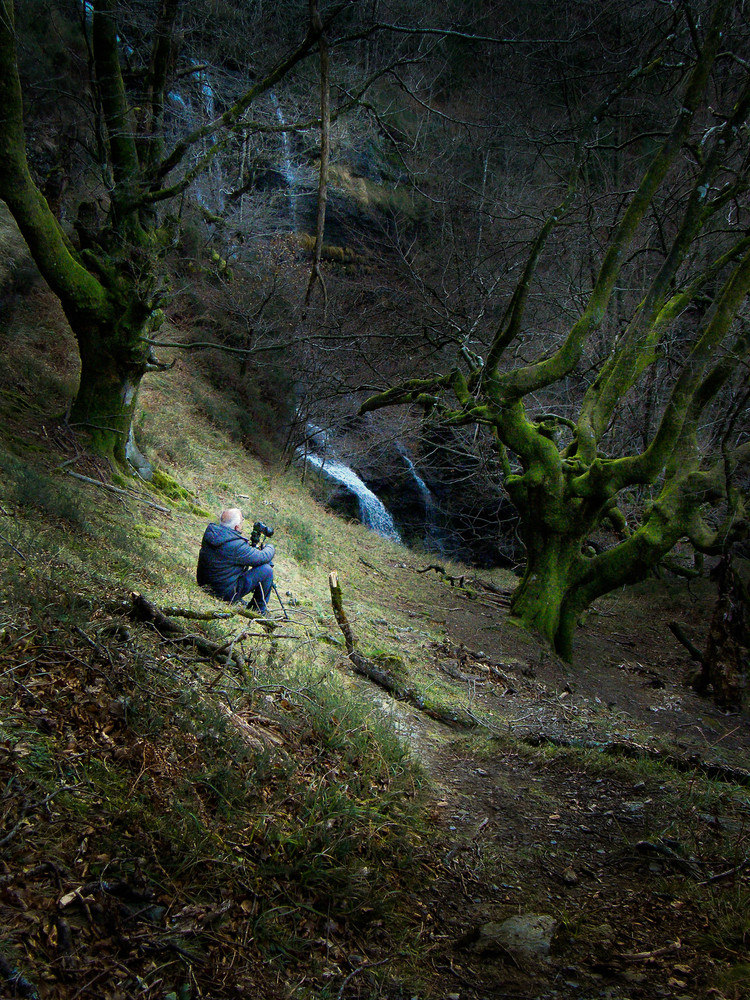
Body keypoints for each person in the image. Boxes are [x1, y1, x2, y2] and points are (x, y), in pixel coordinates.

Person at [196, 508, 275, 612]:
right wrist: (270, 547)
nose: (243, 523)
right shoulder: (235, 545)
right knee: (267, 570)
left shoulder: (211, 533)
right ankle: (258, 610)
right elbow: (262, 557)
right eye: (242, 521)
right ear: (237, 527)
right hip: (222, 593)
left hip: (204, 583)